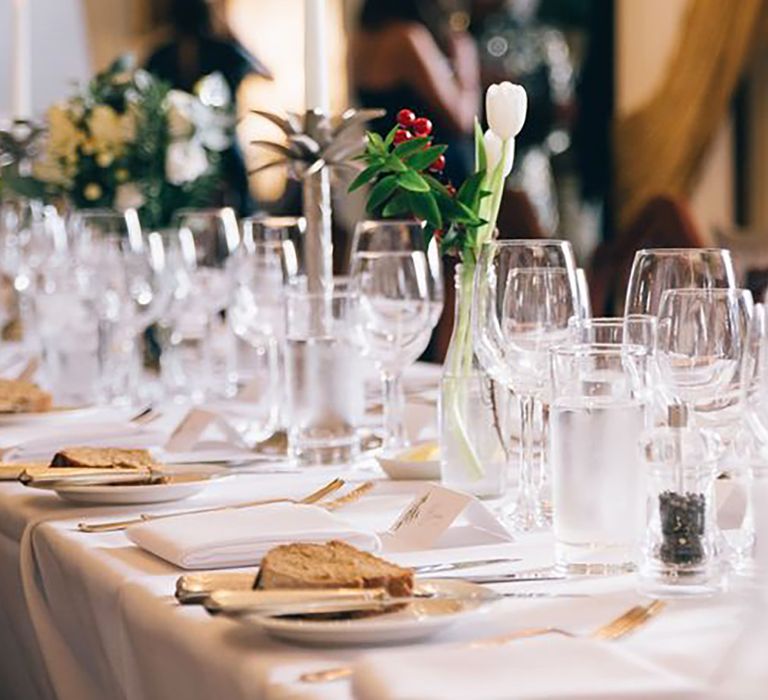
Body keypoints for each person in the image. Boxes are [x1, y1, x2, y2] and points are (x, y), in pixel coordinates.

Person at [145, 0, 271, 215]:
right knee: (242, 207)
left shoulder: (161, 54)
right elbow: (266, 73)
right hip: (222, 146)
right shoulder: (225, 50)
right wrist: (232, 33)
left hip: (174, 149)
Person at [350, 0, 480, 185]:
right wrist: (466, 59)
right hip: (431, 183)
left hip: (394, 178)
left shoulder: (362, 38)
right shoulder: (407, 38)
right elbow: (462, 119)